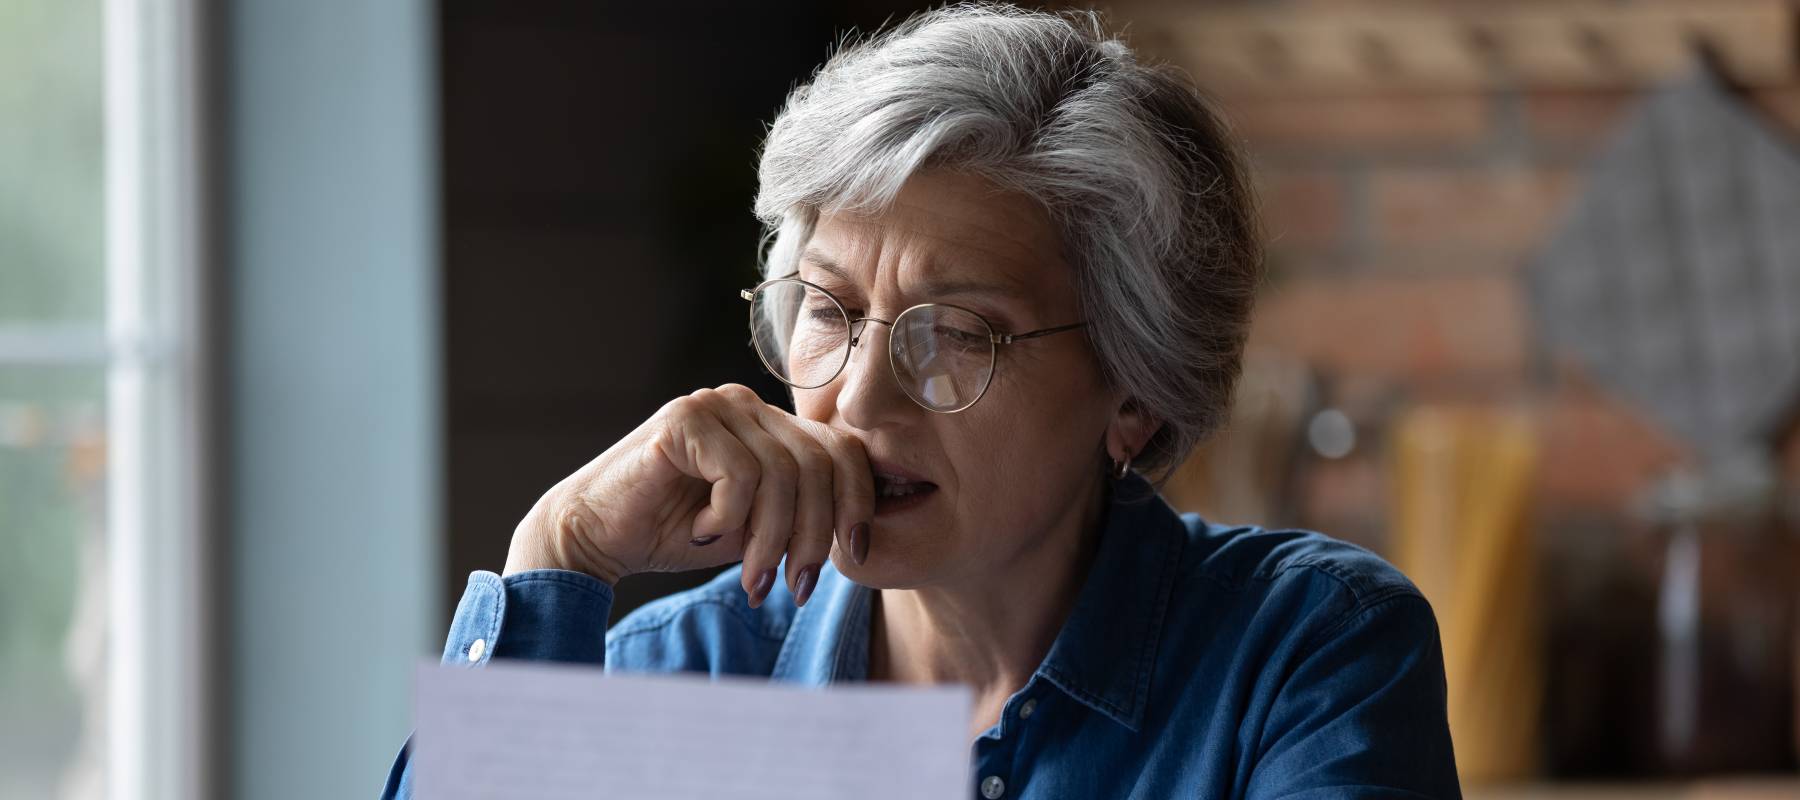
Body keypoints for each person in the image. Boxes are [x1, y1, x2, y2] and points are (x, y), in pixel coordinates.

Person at [382, 4, 1459, 798]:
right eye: (828, 309)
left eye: (957, 334)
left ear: (1133, 391)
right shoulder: (690, 672)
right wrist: (562, 551)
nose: (858, 397)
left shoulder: (1303, 655)